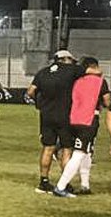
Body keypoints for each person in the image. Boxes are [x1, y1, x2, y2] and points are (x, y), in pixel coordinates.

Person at [53, 56, 110, 198]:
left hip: (73, 119)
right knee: (79, 153)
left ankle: (85, 185)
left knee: (87, 152)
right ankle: (60, 186)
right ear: (94, 66)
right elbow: (107, 101)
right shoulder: (100, 82)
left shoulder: (76, 81)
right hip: (88, 120)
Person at [27, 50, 82, 193]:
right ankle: (65, 183)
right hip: (65, 115)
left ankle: (44, 181)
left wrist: (39, 104)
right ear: (65, 59)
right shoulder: (73, 70)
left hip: (46, 115)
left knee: (48, 147)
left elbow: (30, 91)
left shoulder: (43, 72)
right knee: (66, 148)